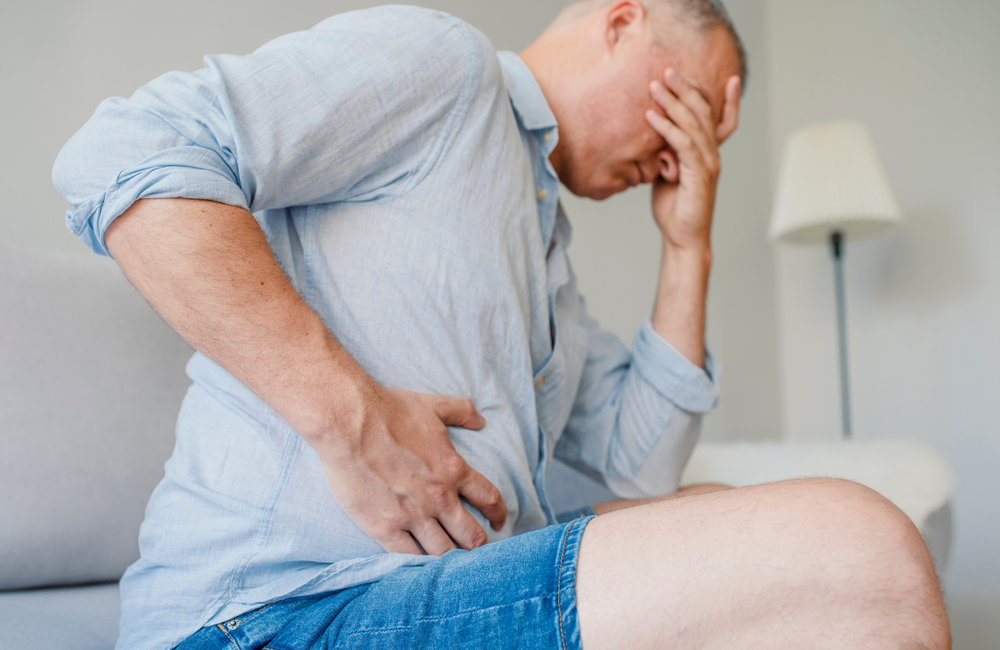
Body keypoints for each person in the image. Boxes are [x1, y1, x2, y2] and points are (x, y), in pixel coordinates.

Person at [53, 0, 950, 648]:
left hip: (420, 595)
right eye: (691, 108)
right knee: (864, 551)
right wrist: (348, 415)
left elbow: (644, 469)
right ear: (623, 21)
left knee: (713, 507)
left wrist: (688, 245)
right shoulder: (449, 69)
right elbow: (125, 151)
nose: (690, 152)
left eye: (709, 137)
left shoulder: (545, 256)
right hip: (271, 616)